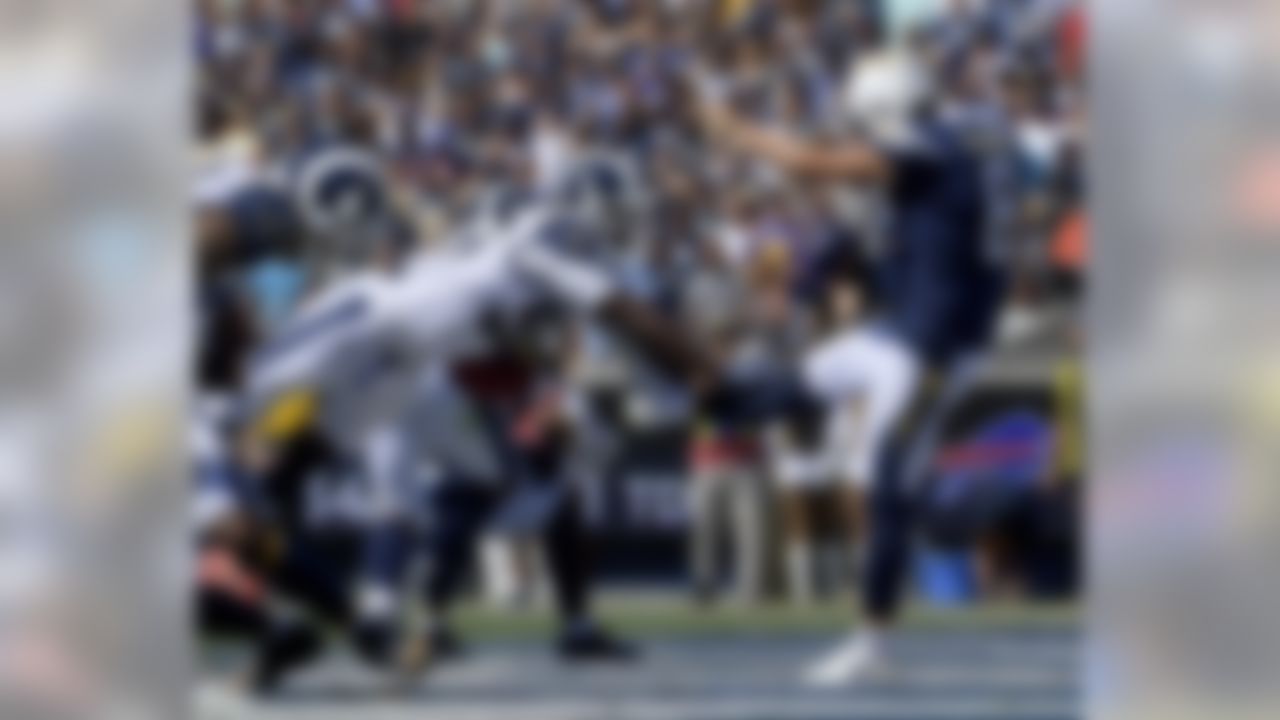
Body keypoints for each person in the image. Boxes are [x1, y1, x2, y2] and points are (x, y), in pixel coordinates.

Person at [689, 46, 1006, 684]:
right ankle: (678, 381)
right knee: (767, 394)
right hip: (897, 333)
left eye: (867, 117)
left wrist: (737, 132)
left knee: (887, 481)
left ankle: (873, 643)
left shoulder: (933, 145)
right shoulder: (944, 142)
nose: (864, 132)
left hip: (935, 349)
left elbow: (814, 162)